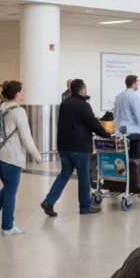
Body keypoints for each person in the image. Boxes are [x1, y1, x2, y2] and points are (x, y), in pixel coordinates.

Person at [41, 79, 111, 216]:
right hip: (79, 147)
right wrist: (106, 134)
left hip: (64, 146)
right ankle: (85, 206)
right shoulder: (83, 105)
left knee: (65, 173)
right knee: (84, 175)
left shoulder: (64, 103)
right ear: (82, 90)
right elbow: (92, 123)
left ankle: (49, 202)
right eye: (85, 88)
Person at [0, 81, 43, 234]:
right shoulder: (18, 111)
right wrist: (37, 155)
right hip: (11, 156)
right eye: (23, 91)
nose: (24, 93)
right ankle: (8, 226)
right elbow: (26, 137)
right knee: (10, 191)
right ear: (17, 94)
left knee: (8, 188)